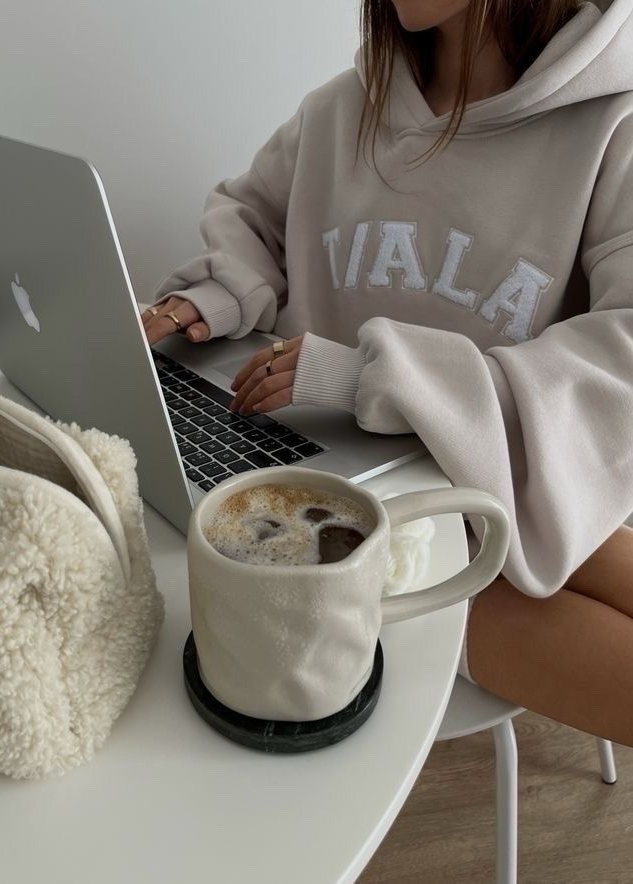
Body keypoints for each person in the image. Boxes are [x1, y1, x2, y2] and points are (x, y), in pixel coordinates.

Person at [142, 0, 633, 745]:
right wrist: (205, 297)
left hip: (516, 477)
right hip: (349, 519)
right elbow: (254, 218)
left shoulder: (614, 127)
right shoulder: (343, 109)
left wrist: (372, 377)